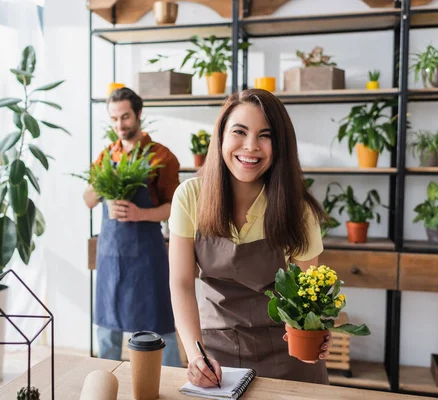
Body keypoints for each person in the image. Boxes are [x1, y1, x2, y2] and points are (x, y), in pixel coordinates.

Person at [168, 89, 332, 387]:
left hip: (289, 357)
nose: (251, 146)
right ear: (221, 137)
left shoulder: (298, 210)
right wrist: (196, 355)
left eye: (265, 135)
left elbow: (311, 294)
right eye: (239, 132)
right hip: (217, 358)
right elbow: (180, 283)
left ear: (280, 145)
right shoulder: (190, 197)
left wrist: (315, 336)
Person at [83, 87, 182, 367]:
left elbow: (175, 208)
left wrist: (140, 213)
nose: (119, 125)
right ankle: (106, 383)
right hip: (110, 255)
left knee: (160, 325)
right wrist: (103, 187)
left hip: (147, 257)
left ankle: (175, 384)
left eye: (125, 117)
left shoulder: (161, 157)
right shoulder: (105, 156)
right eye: (114, 119)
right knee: (107, 328)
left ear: (138, 114)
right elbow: (88, 200)